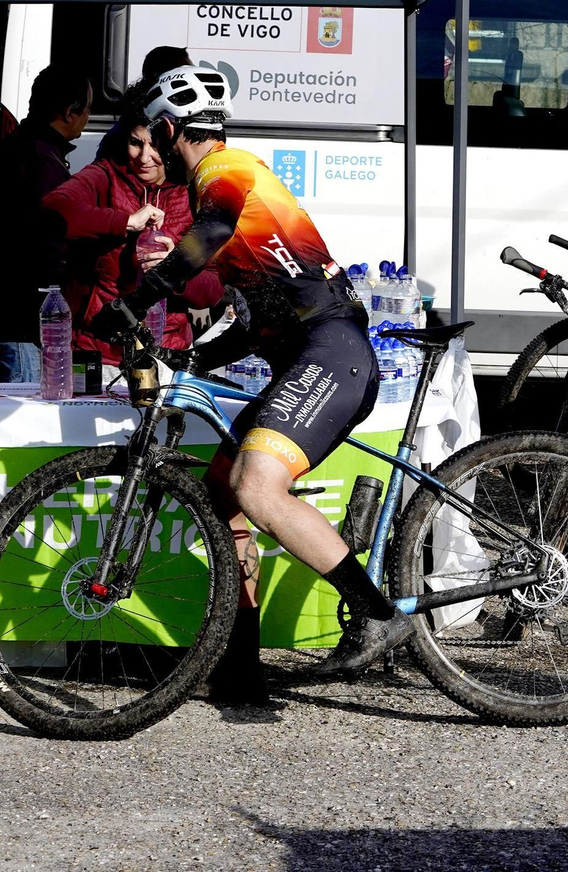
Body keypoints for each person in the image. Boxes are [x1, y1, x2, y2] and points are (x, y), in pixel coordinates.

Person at [91, 64, 392, 699]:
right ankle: (239, 663)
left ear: (172, 128)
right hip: (311, 348)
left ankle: (373, 614)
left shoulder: (226, 170)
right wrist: (199, 357)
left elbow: (211, 234)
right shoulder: (227, 190)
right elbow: (261, 313)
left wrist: (140, 295)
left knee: (257, 485)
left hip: (331, 350)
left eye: (153, 137)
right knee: (223, 491)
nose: (149, 152)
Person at [44, 93, 223, 369]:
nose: (144, 157)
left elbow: (213, 290)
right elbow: (52, 209)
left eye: (155, 145)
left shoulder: (193, 192)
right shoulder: (105, 175)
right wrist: (125, 221)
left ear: (173, 142)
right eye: (135, 143)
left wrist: (176, 269)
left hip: (166, 355)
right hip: (97, 351)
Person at [0, 66, 92, 382]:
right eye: (87, 109)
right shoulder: (41, 162)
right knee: (23, 411)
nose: (89, 117)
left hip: (6, 309)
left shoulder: (22, 148)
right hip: (23, 319)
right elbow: (51, 240)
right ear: (69, 113)